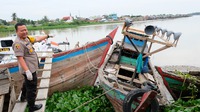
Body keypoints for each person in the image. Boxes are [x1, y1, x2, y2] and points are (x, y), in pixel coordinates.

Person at [12, 23, 53, 112]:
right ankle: (32, 106)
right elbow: (20, 58)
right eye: (22, 30)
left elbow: (37, 39)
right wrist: (27, 71)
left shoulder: (26, 39)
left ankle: (23, 97)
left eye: (25, 29)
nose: (25, 32)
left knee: (27, 84)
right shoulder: (18, 43)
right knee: (32, 88)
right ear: (17, 32)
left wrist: (48, 36)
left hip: (31, 67)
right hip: (29, 69)